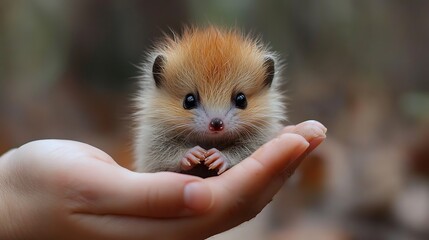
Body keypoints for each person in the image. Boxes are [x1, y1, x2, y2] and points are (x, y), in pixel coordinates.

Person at [0, 120, 326, 240]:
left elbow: (255, 148)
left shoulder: (260, 126)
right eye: (190, 103)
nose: (215, 121)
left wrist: (231, 158)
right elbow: (153, 159)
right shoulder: (158, 128)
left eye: (238, 102)